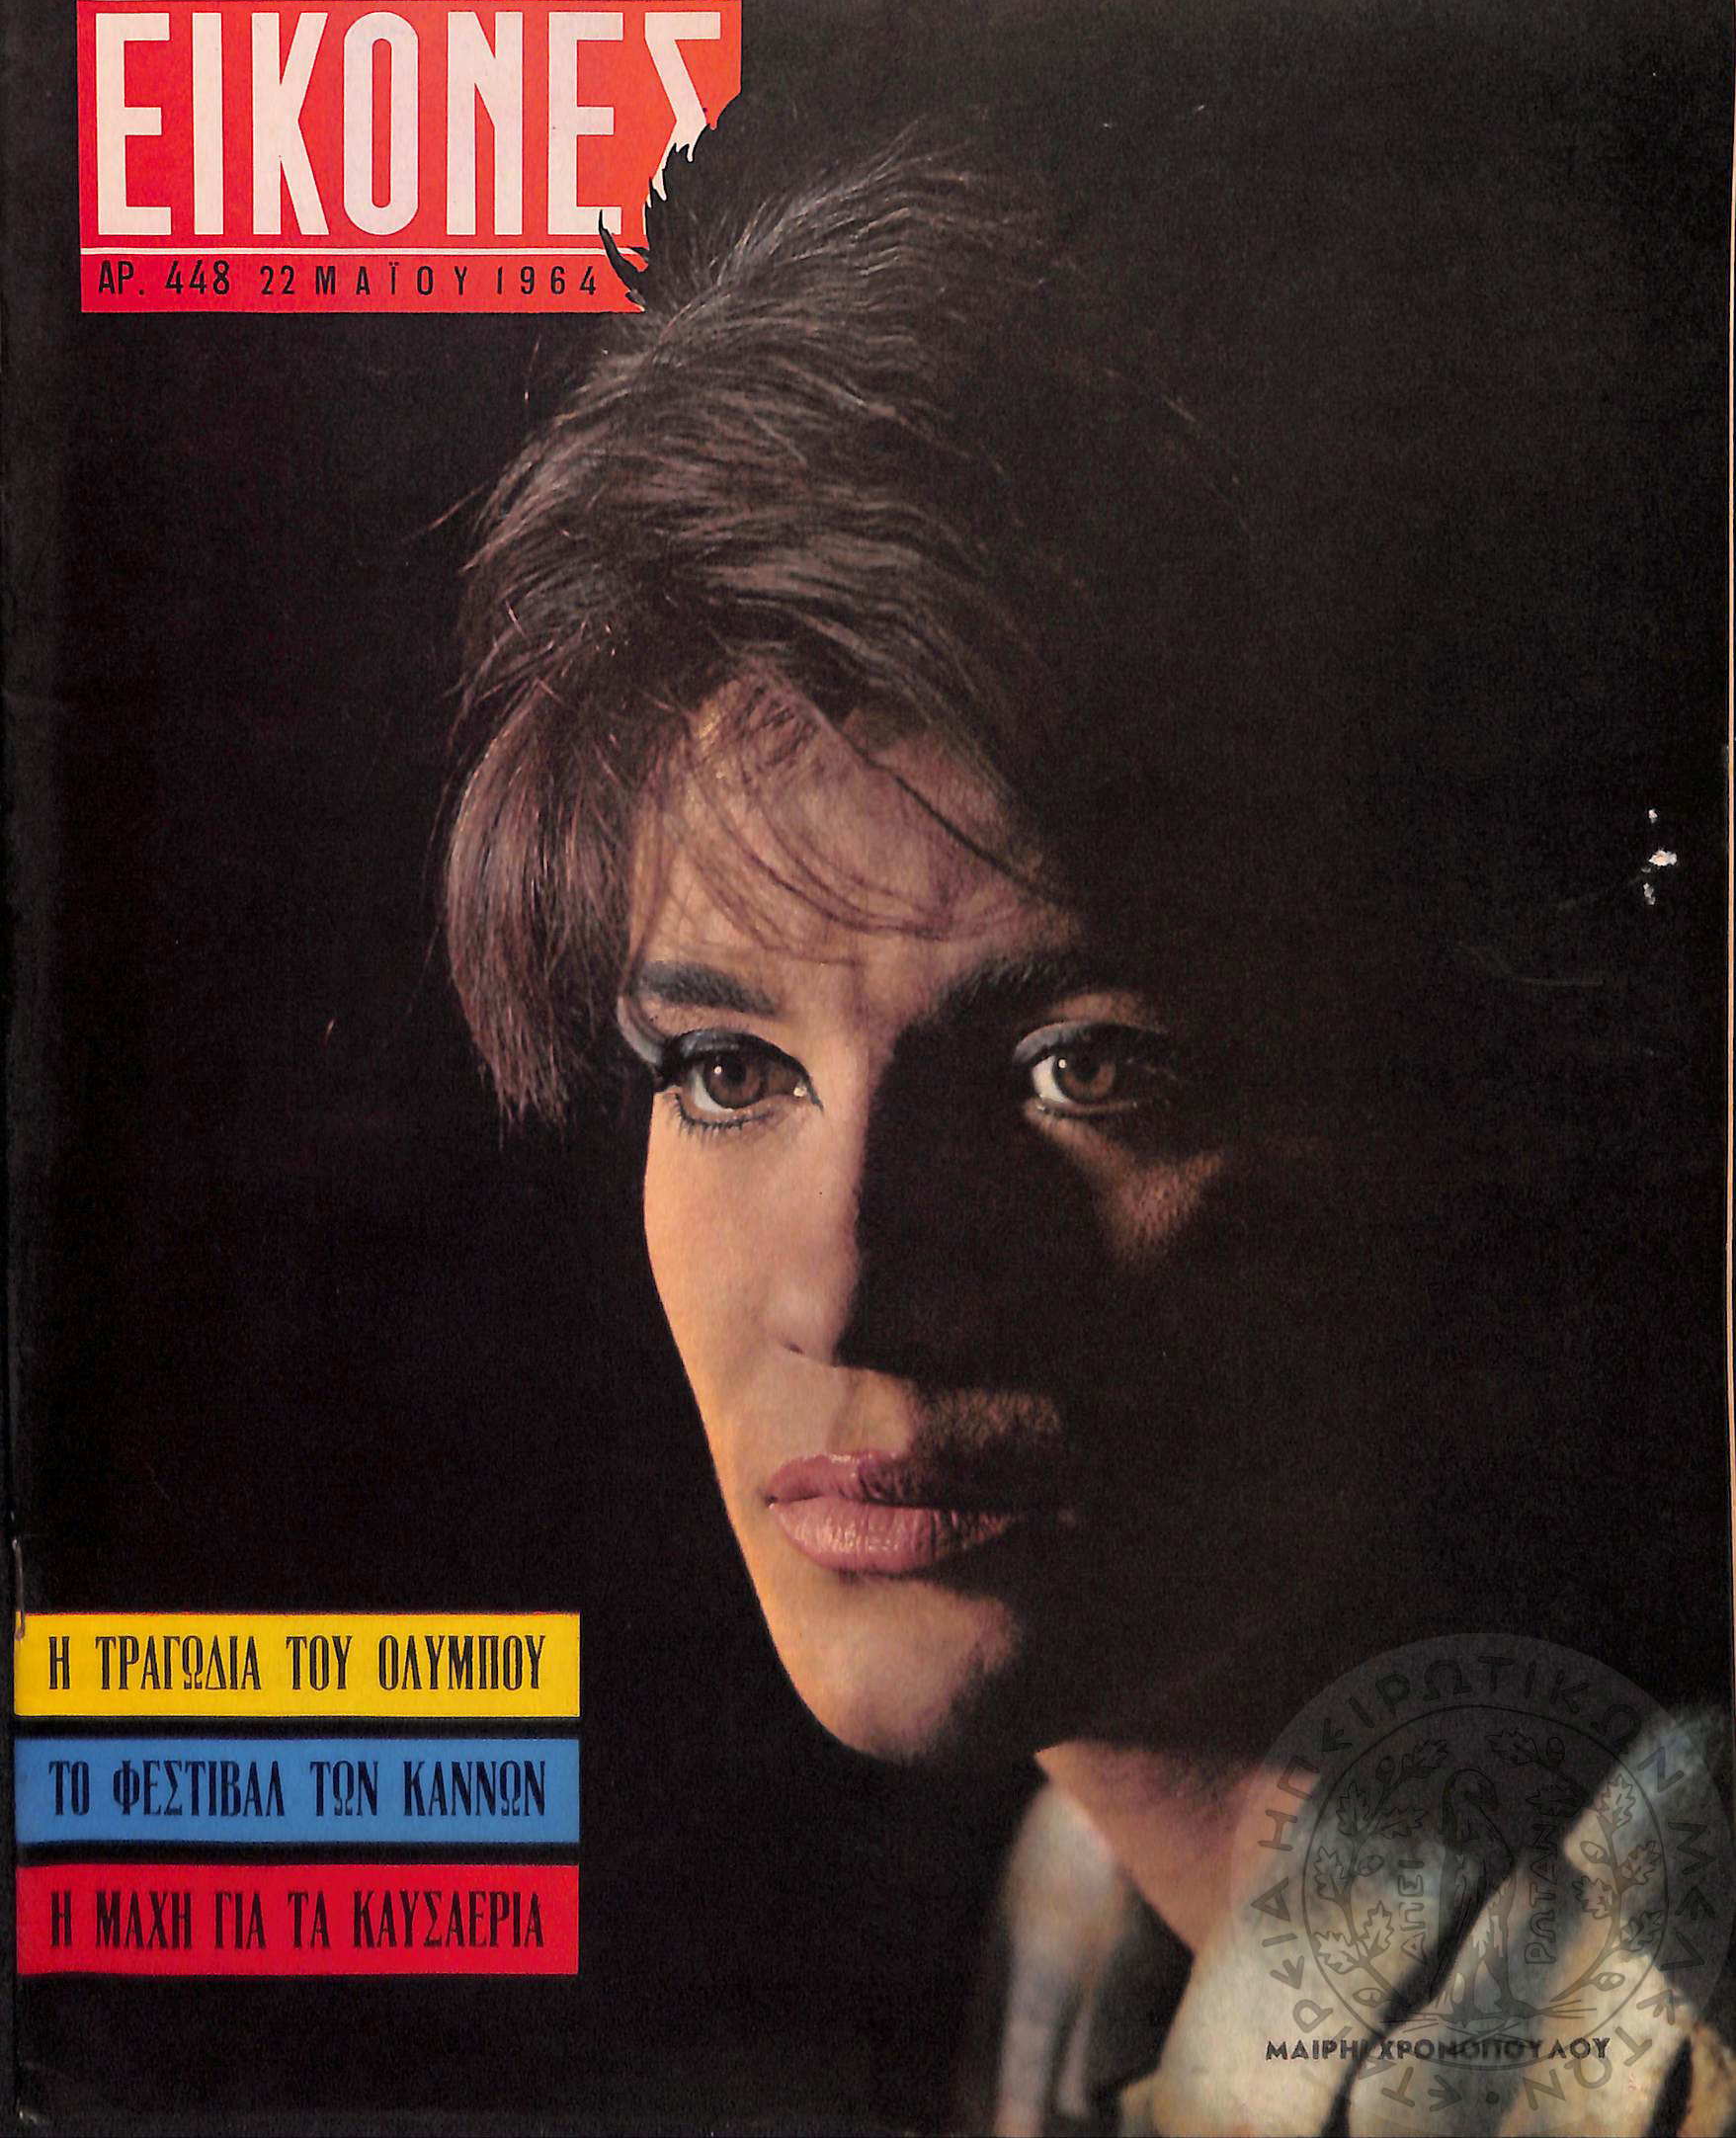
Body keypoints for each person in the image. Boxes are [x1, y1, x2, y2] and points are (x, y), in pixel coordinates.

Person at [442, 131, 1733, 2134]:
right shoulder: (1087, 1910)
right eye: (727, 1071)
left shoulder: (1668, 2031)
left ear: (1458, 1115)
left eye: (1085, 1072)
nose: (845, 1287)